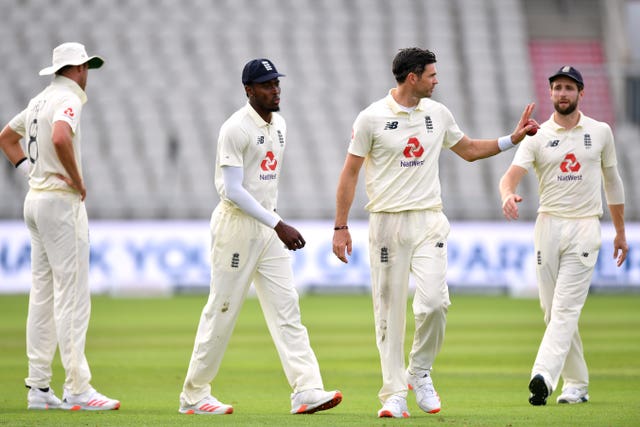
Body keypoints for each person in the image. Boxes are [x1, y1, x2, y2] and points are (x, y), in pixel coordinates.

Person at [332, 47, 536, 418]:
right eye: (431, 75)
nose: (436, 80)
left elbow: (470, 150)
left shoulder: (438, 114)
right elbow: (349, 173)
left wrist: (513, 138)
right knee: (389, 314)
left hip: (429, 220)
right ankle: (393, 394)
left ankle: (419, 370)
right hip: (387, 223)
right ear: (412, 77)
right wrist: (340, 226)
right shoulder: (372, 118)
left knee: (434, 303)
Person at [178, 58, 342, 416]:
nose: (275, 89)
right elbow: (234, 191)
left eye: (277, 83)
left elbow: (262, 184)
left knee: (288, 310)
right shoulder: (234, 128)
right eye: (267, 85)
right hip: (236, 227)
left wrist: (273, 224)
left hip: (267, 229)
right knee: (222, 310)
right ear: (249, 90)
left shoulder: (280, 123)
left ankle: (307, 389)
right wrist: (278, 223)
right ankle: (194, 395)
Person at [0, 42, 120, 411]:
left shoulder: (39, 100)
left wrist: (29, 171)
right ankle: (78, 388)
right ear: (79, 69)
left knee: (42, 295)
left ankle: (38, 389)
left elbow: (6, 138)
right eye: (86, 68)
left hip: (35, 201)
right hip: (59, 203)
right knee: (72, 297)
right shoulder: (70, 98)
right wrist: (75, 178)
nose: (87, 76)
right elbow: (59, 136)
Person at [499, 65, 628, 406]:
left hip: (585, 225)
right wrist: (507, 195)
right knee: (551, 311)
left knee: (566, 308)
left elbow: (613, 184)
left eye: (569, 88)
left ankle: (542, 375)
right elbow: (509, 177)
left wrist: (619, 232)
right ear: (551, 93)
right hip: (548, 225)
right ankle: (577, 384)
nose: (562, 93)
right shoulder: (537, 135)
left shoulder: (600, 132)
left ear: (580, 93)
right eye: (556, 87)